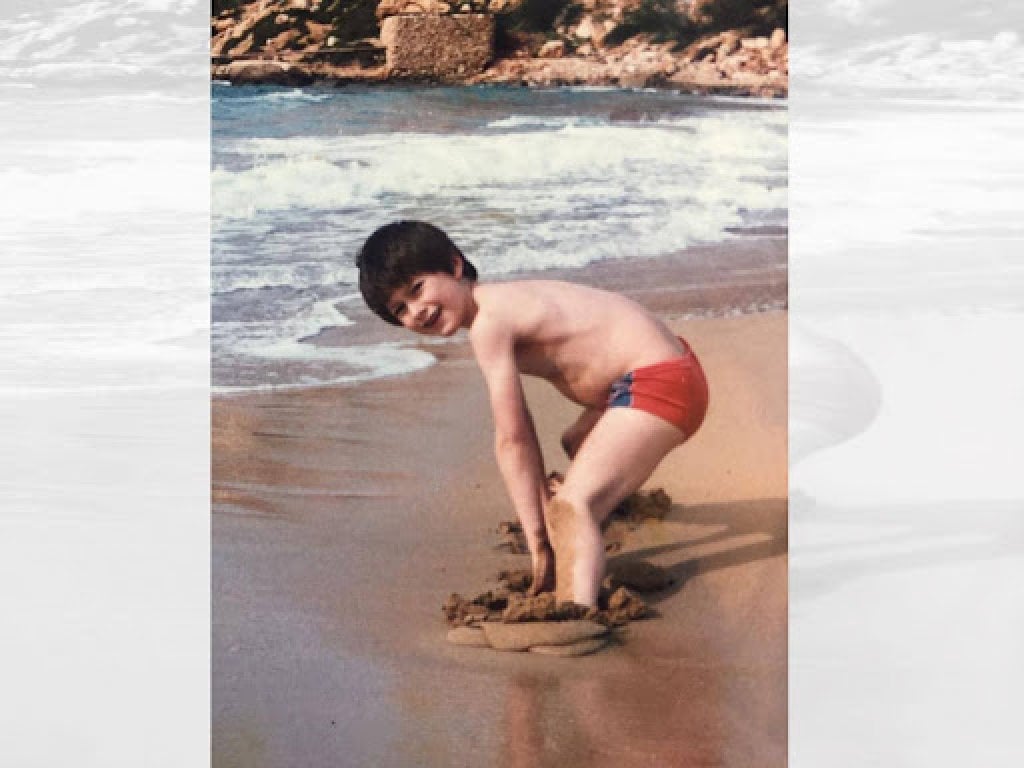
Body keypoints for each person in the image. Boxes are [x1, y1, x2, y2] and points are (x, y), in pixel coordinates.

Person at [356, 221, 708, 608]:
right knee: (575, 443)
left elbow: (514, 438)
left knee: (572, 506)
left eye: (417, 289)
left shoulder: (490, 323)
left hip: (659, 384)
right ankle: (604, 505)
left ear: (455, 266)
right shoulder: (499, 301)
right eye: (400, 309)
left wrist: (539, 539)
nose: (416, 311)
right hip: (661, 375)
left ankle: (575, 614)